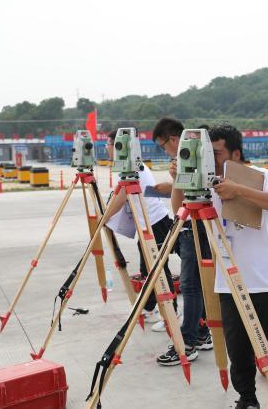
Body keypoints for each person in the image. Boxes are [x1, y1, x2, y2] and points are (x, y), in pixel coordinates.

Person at [208, 124, 268, 409]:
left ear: (235, 152)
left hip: (266, 279)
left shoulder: (262, 176)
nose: (212, 158)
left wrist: (238, 190)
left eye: (217, 153)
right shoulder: (207, 181)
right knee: (239, 350)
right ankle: (247, 399)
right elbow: (178, 210)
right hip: (229, 282)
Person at [151, 118, 214, 365]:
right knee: (197, 286)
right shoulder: (181, 165)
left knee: (190, 286)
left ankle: (187, 342)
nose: (165, 151)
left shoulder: (202, 162)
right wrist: (177, 180)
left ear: (174, 140)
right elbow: (179, 207)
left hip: (200, 226)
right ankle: (200, 333)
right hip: (190, 224)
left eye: (164, 146)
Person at [104, 129, 178, 328]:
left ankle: (172, 313)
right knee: (148, 270)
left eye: (109, 144)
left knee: (158, 270)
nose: (106, 148)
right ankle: (151, 307)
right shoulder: (130, 166)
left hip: (155, 223)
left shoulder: (133, 168)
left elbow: (120, 200)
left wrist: (103, 218)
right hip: (147, 224)